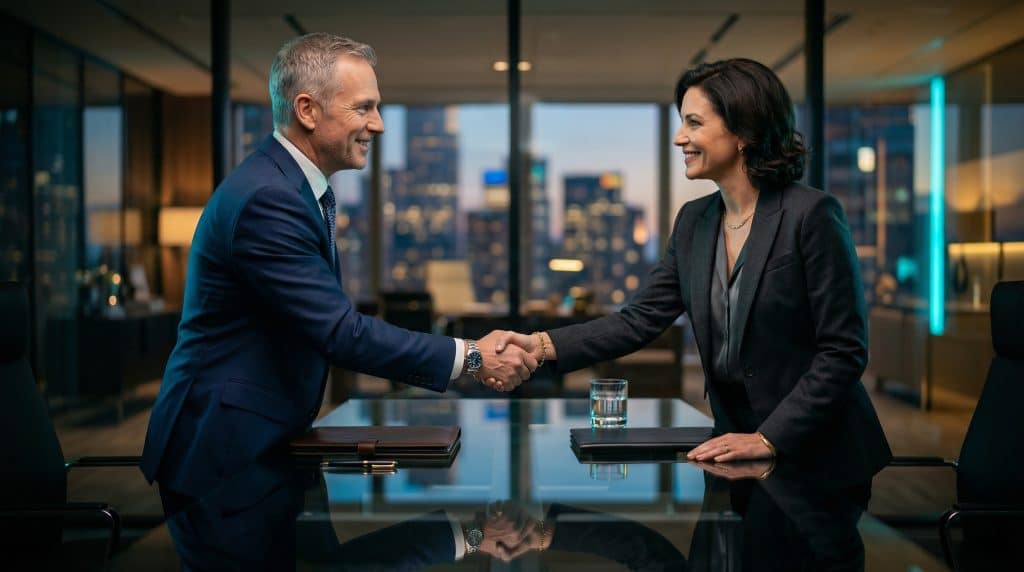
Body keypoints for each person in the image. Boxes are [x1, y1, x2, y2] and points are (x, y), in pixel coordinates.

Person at [141, 33, 537, 512]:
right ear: (307, 110)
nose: (379, 124)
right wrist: (472, 357)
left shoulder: (290, 187)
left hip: (261, 438)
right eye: (363, 108)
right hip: (224, 452)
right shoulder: (270, 198)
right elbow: (340, 332)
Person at [497, 58, 891, 488]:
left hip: (816, 454)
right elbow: (639, 319)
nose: (679, 137)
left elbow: (843, 351)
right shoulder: (694, 221)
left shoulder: (810, 214)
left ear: (744, 131)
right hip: (729, 446)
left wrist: (768, 438)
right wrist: (539, 344)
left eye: (694, 123)